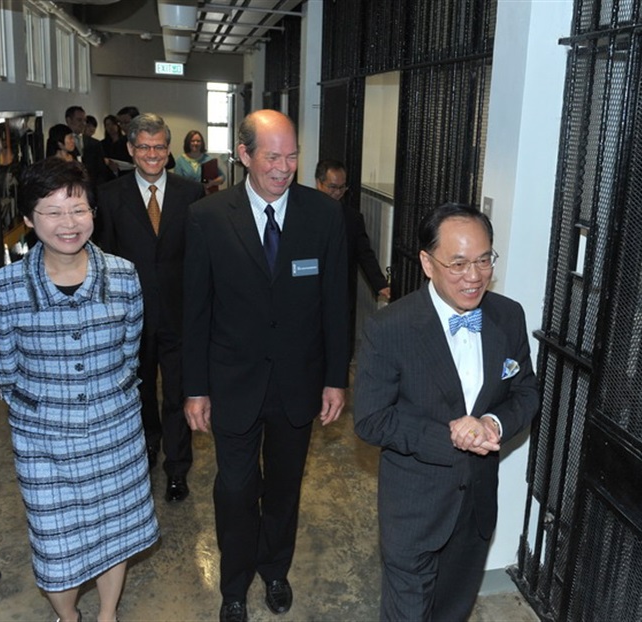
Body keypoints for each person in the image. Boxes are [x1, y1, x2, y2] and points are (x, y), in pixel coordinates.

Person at [182, 109, 350, 622]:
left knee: (283, 486)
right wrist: (194, 388)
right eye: (272, 156)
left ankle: (275, 570)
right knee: (234, 489)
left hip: (297, 383)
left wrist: (334, 378)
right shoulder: (209, 217)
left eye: (292, 155)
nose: (284, 167)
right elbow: (196, 311)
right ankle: (233, 586)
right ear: (245, 155)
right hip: (233, 381)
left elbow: (336, 304)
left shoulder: (323, 215)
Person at [0, 158, 159, 622]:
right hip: (44, 440)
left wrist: (110, 400)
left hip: (114, 431)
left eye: (78, 209)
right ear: (28, 218)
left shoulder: (123, 276)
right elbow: (4, 366)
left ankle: (106, 613)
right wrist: (37, 413)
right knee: (54, 540)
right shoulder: (4, 287)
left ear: (93, 213)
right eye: (52, 211)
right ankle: (69, 616)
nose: (68, 223)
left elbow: (130, 352)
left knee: (114, 530)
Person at [353, 203, 539, 621]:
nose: (473, 277)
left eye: (483, 260)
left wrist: (492, 423)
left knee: (452, 612)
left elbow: (526, 391)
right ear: (427, 262)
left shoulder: (508, 316)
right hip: (414, 507)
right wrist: (451, 437)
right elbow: (370, 418)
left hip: (475, 506)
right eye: (457, 264)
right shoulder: (390, 329)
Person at [95, 113, 205, 503]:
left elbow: (199, 259)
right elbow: (103, 260)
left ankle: (177, 469)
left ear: (168, 149)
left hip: (179, 315)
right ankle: (147, 446)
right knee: (138, 393)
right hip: (130, 320)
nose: (152, 154)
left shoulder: (190, 194)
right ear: (130, 149)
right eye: (143, 147)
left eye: (159, 146)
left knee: (178, 394)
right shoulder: (109, 196)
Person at [315, 159, 390, 355]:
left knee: (340, 343)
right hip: (310, 290)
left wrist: (380, 284)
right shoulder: (301, 214)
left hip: (340, 290)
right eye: (332, 187)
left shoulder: (352, 218)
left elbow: (364, 253)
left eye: (342, 188)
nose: (337, 193)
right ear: (318, 183)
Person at [65, 106, 114, 187]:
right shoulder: (62, 142)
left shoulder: (95, 143)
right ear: (69, 120)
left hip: (93, 188)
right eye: (79, 120)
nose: (83, 124)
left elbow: (101, 170)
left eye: (84, 120)